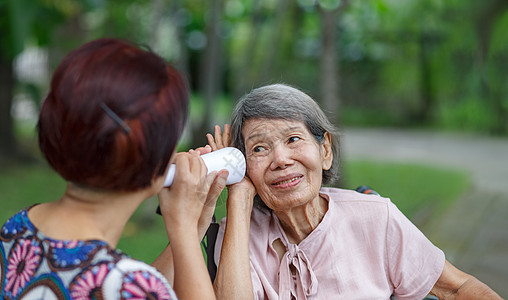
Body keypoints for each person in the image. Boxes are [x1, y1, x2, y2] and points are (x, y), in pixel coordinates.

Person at [207, 84, 502, 299]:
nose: (281, 159)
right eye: (259, 148)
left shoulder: (375, 217)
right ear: (244, 165)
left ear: (325, 150)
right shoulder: (236, 235)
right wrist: (239, 197)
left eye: (293, 139)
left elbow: (458, 288)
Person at [0, 38, 227, 299]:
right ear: (151, 153)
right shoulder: (129, 284)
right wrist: (183, 228)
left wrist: (196, 224)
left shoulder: (18, 228)